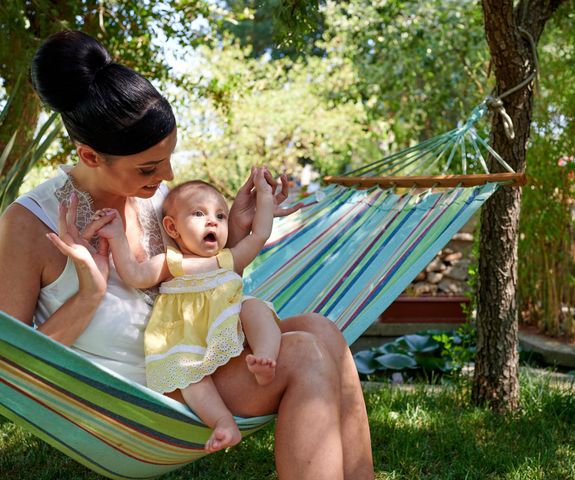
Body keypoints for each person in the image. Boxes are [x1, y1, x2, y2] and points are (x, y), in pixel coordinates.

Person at [0, 30, 374, 479]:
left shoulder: (156, 204)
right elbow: (10, 366)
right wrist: (89, 295)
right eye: (149, 167)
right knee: (303, 356)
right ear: (89, 155)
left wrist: (236, 226)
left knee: (321, 331)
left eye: (168, 158)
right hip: (142, 398)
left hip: (197, 361)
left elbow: (200, 280)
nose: (167, 176)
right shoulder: (28, 226)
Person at [81, 173, 281, 452]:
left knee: (254, 307)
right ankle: (223, 423)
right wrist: (116, 237)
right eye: (199, 214)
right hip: (187, 340)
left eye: (220, 216)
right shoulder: (170, 263)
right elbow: (136, 275)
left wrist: (265, 196)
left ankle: (265, 358)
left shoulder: (228, 258)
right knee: (189, 378)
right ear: (172, 228)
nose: (213, 221)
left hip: (227, 324)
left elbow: (260, 233)